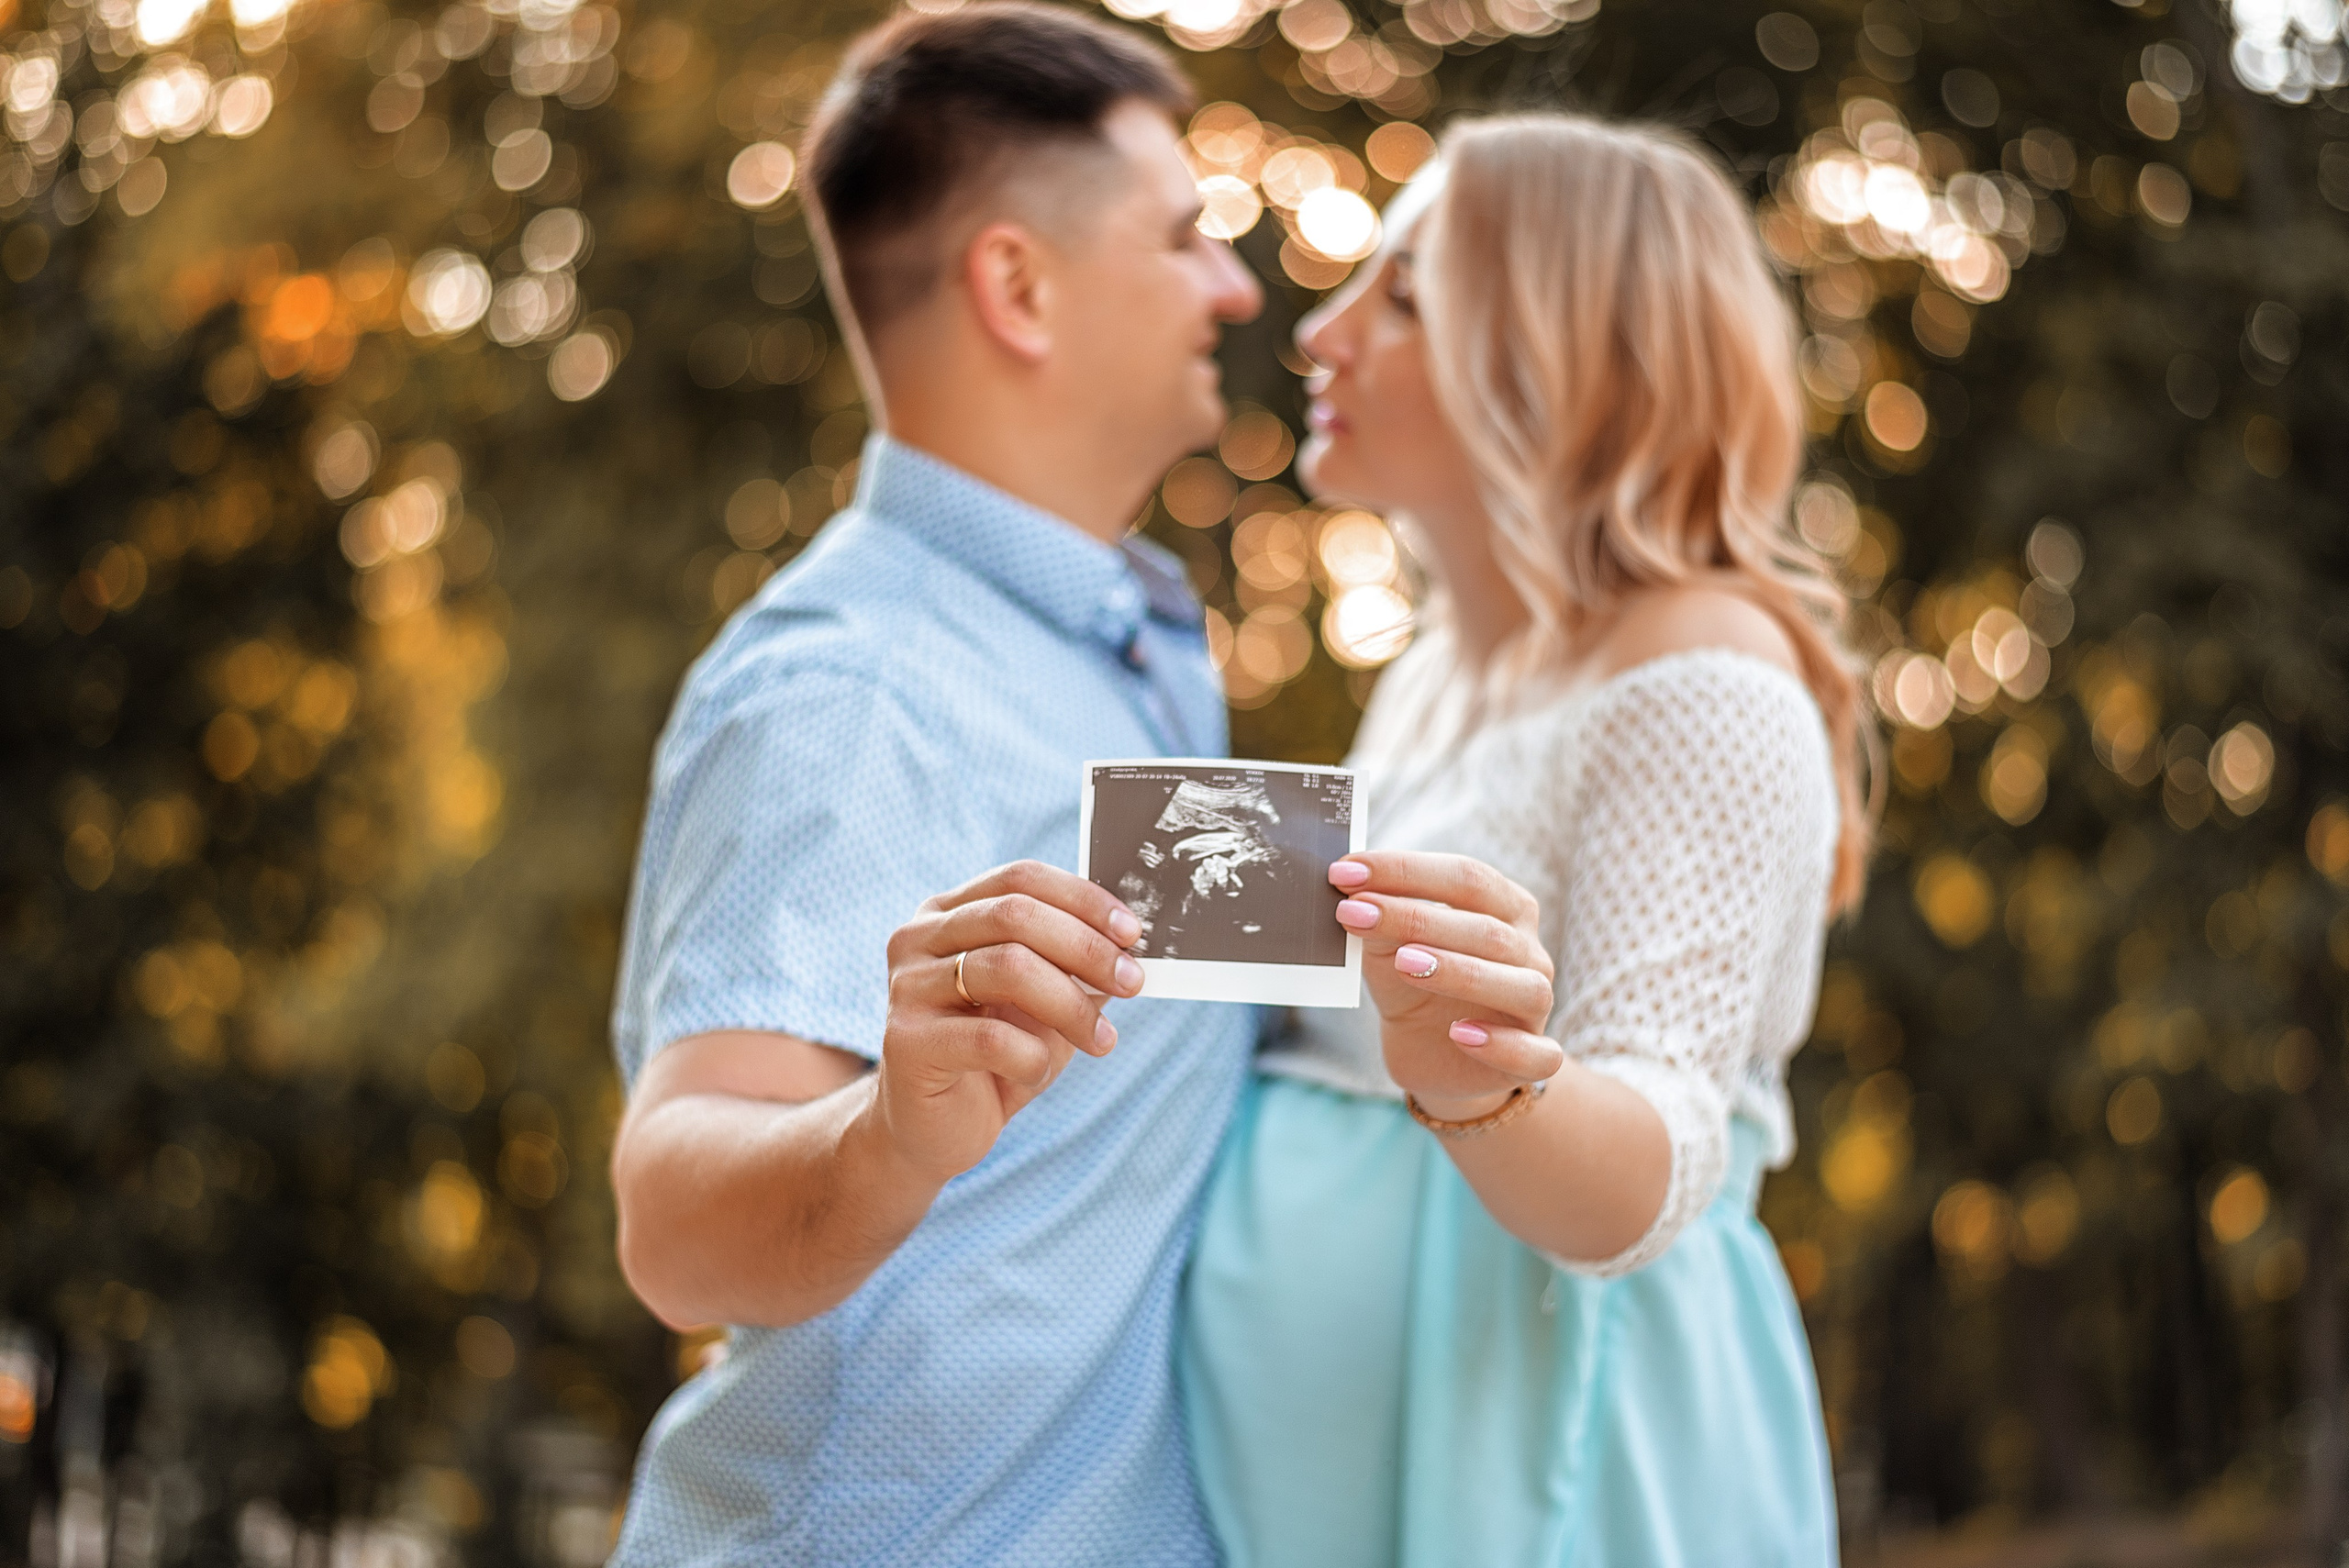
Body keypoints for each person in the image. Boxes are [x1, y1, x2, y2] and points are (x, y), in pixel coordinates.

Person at [600, 7, 1276, 1562]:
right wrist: (889, 1132)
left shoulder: (1143, 653)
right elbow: (674, 1222)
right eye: (1183, 238)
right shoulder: (853, 692)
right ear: (1018, 288)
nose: (1233, 287)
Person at [1181, 112, 1879, 1566]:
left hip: (1558, 1460)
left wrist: (1479, 1080)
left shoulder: (1703, 673)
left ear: (1562, 359)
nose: (1319, 333)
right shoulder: (1437, 666)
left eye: (1404, 298)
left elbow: (1659, 1147)